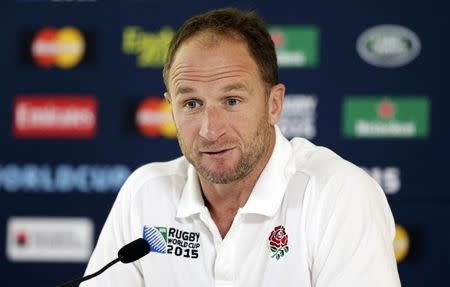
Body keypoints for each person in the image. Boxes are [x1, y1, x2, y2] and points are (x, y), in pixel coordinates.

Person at [81, 7, 401, 287]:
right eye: (191, 103)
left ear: (274, 104)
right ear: (170, 107)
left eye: (231, 101)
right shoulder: (145, 193)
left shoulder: (338, 193)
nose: (210, 130)